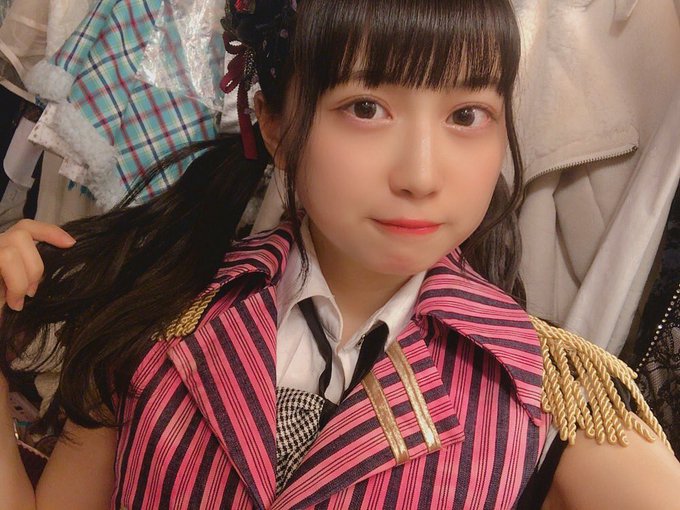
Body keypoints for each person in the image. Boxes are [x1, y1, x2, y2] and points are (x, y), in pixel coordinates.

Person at [0, 1, 679, 509]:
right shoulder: (158, 321)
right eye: (366, 108)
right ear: (274, 125)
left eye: (466, 115)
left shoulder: (550, 401)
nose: (420, 174)